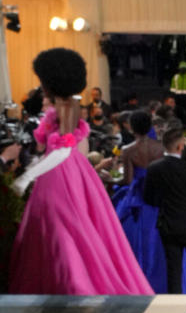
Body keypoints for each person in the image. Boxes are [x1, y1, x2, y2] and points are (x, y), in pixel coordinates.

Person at [9, 48, 152, 296]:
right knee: (63, 226)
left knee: (64, 226)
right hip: (65, 170)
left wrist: (27, 176)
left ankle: (74, 284)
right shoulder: (65, 106)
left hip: (61, 172)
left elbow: (62, 150)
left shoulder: (66, 108)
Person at [143, 121, 186, 295]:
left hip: (168, 225)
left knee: (173, 270)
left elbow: (148, 198)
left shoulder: (153, 168)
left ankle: (176, 307)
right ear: (180, 146)